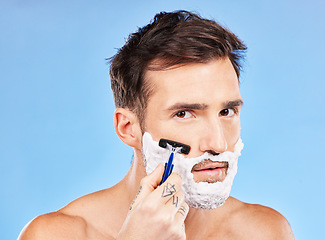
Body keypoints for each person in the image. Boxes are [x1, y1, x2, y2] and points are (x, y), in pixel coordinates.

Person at [19, 10, 295, 240]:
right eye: (184, 114)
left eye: (227, 111)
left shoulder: (263, 232)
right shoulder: (57, 234)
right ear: (128, 128)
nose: (218, 144)